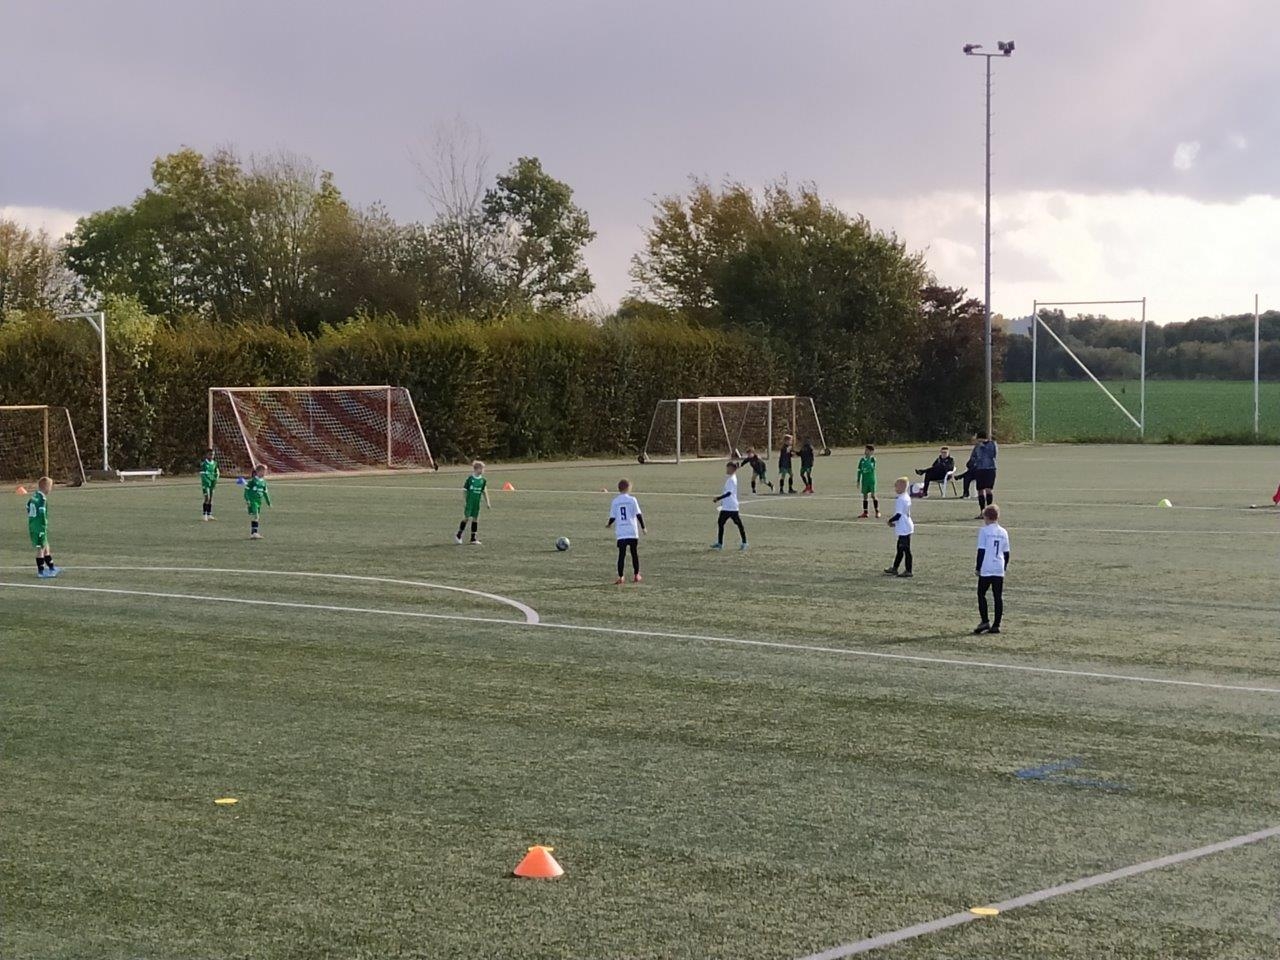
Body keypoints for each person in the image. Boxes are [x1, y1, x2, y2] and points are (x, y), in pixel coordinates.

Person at [974, 504, 1011, 635]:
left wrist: (978, 567)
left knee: (981, 593)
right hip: (999, 567)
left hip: (987, 567)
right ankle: (996, 624)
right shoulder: (1003, 532)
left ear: (987, 517)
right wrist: (1004, 567)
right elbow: (1006, 553)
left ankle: (985, 621)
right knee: (997, 596)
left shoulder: (984, 531)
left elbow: (981, 551)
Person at [607, 478, 645, 584]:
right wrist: (643, 527)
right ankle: (636, 575)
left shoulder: (615, 501)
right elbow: (638, 514)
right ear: (628, 488)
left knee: (621, 555)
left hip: (621, 532)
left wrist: (609, 524)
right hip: (632, 531)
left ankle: (621, 577)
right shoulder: (632, 500)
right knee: (634, 553)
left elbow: (613, 517)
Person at [26, 476, 59, 578]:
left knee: (46, 545)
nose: (51, 489)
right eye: (50, 487)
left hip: (33, 525)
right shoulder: (42, 499)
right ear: (46, 487)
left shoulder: (34, 496)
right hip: (39, 526)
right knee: (40, 548)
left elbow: (27, 506)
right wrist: (44, 523)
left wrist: (32, 518)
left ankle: (51, 567)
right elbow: (42, 512)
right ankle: (41, 571)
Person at [711, 460, 748, 551]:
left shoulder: (732, 479)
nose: (726, 470)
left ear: (732, 469)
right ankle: (720, 543)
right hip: (726, 507)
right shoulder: (731, 478)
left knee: (739, 524)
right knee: (720, 523)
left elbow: (729, 493)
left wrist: (718, 498)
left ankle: (744, 542)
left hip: (732, 507)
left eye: (728, 468)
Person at [883, 477, 914, 578]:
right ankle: (895, 568)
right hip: (906, 525)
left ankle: (908, 570)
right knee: (900, 549)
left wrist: (890, 521)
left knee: (905, 549)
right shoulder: (906, 496)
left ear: (902, 486)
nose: (895, 488)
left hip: (904, 527)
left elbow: (898, 515)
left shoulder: (901, 499)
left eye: (896, 486)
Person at [455, 460, 491, 545]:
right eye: (482, 469)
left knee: (475, 518)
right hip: (469, 502)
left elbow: (484, 491)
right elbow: (464, 491)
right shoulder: (470, 479)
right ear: (476, 469)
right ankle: (459, 535)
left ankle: (473, 538)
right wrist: (464, 501)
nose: (483, 471)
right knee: (466, 518)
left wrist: (488, 502)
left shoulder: (483, 480)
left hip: (476, 502)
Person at [969, 431, 999, 517]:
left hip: (989, 469)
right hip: (979, 469)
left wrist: (984, 446)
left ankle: (989, 512)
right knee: (980, 490)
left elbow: (993, 455)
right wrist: (972, 463)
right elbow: (973, 456)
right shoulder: (977, 446)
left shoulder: (992, 444)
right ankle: (982, 512)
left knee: (988, 489)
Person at [244, 463, 271, 540]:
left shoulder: (263, 482)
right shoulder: (252, 481)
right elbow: (246, 492)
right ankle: (254, 533)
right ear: (259, 471)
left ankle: (254, 533)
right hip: (253, 501)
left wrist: (268, 502)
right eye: (264, 471)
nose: (265, 473)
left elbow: (265, 493)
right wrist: (247, 500)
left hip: (259, 501)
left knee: (256, 516)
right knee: (256, 516)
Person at [857, 444, 880, 519]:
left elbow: (871, 468)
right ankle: (865, 512)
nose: (865, 451)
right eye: (865, 450)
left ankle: (877, 511)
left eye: (867, 450)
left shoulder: (873, 459)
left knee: (873, 495)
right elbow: (859, 470)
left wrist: (865, 469)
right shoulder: (862, 460)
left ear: (871, 452)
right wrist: (858, 480)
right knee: (865, 496)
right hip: (864, 481)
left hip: (871, 480)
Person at [200, 448, 220, 521]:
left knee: (211, 498)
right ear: (207, 455)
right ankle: (204, 514)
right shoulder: (204, 464)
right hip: (206, 483)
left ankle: (209, 514)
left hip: (212, 483)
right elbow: (202, 475)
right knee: (207, 498)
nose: (212, 456)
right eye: (210, 454)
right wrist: (207, 481)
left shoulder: (215, 463)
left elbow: (217, 472)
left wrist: (216, 478)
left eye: (213, 455)